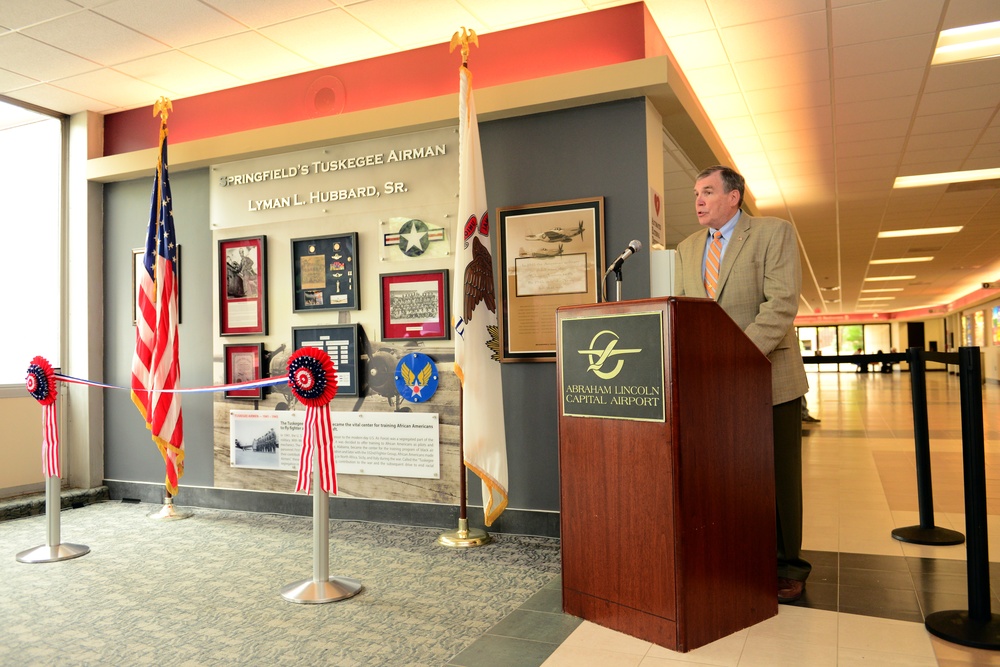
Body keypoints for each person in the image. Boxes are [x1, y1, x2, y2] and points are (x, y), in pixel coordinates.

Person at [674, 165, 811, 603]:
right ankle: (737, 555)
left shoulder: (773, 233)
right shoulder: (687, 247)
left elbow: (781, 303)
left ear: (734, 197)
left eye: (708, 191)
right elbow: (688, 312)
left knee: (776, 478)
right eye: (696, 192)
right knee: (729, 477)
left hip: (770, 377)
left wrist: (739, 357)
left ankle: (787, 565)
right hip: (713, 387)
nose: (698, 200)